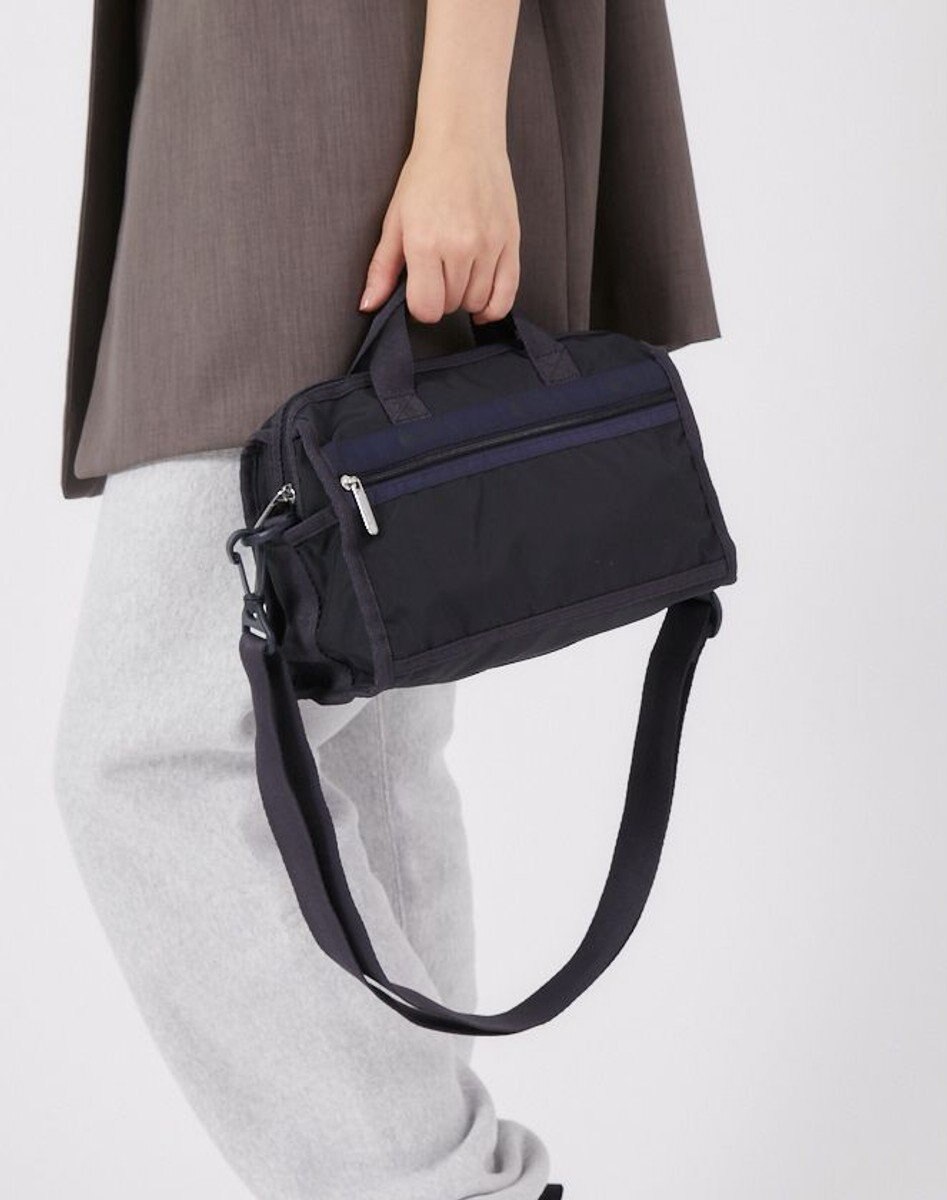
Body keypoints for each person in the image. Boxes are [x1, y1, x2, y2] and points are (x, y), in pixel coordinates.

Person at [54, 2, 720, 1197]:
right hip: (287, 74)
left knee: (156, 753)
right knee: (357, 740)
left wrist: (459, 123)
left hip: (343, 76)